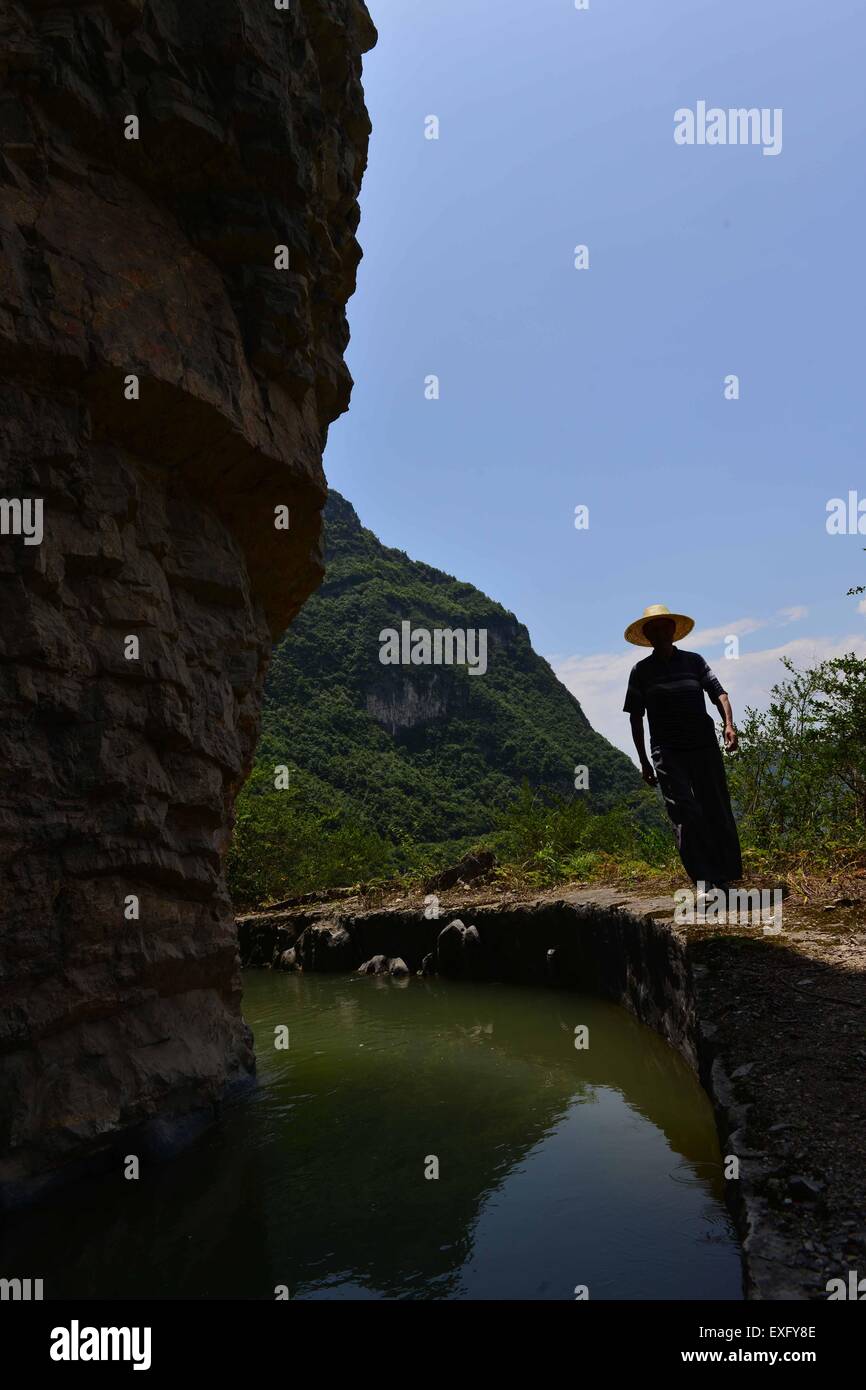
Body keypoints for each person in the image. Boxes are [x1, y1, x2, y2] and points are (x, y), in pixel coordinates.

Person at [623, 603, 742, 892]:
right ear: (647, 636)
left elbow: (719, 694)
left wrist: (729, 724)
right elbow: (636, 718)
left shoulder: (694, 662)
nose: (659, 633)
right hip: (667, 751)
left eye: (663, 627)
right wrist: (644, 761)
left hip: (703, 745)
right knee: (684, 811)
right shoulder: (641, 671)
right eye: (653, 630)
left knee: (715, 805)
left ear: (673, 630)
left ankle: (723, 876)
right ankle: (704, 880)